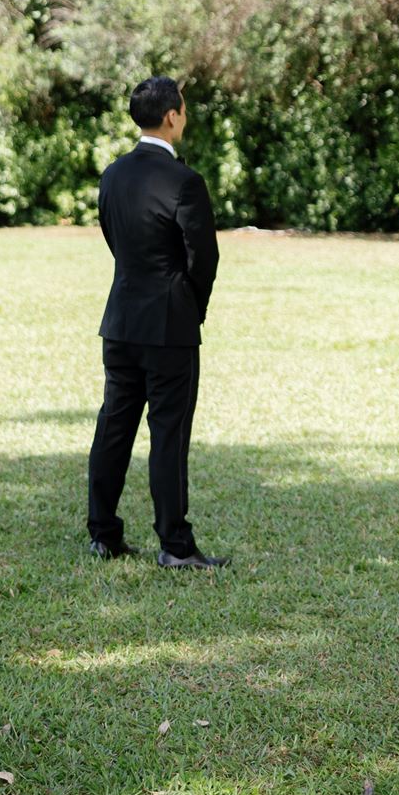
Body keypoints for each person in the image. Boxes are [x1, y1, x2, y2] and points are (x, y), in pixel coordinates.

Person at [86, 76, 229, 569]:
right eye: (184, 110)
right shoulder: (184, 181)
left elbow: (113, 237)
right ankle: (175, 544)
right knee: (168, 434)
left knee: (114, 427)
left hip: (121, 319)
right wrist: (194, 308)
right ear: (172, 116)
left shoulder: (112, 175)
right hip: (169, 327)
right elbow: (203, 258)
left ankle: (102, 533)